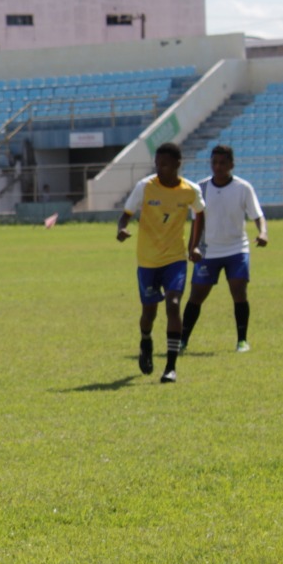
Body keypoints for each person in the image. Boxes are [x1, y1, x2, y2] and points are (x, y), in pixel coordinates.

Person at [117, 141, 204, 383]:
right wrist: (122, 230)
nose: (159, 168)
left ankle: (171, 367)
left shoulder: (190, 190)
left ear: (177, 164)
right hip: (147, 260)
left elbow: (200, 213)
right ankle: (146, 340)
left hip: (175, 259)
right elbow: (125, 216)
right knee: (149, 312)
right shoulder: (145, 187)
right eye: (157, 164)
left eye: (164, 164)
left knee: (173, 304)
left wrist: (194, 245)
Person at [182, 145, 268, 353]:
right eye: (214, 162)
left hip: (237, 249)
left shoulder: (243, 187)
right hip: (208, 251)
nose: (217, 167)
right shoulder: (200, 188)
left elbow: (258, 215)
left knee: (239, 291)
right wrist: (192, 247)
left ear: (231, 164)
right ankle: (182, 340)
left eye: (222, 163)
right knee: (196, 296)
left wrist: (263, 232)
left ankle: (242, 340)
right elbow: (196, 221)